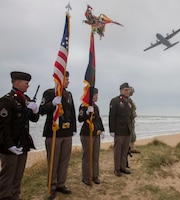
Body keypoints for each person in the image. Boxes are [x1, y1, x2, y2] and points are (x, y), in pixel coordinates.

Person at [0, 71, 39, 200]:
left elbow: (34, 119)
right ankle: (4, 196)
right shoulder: (7, 100)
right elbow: (3, 126)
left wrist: (34, 110)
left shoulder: (26, 99)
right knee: (7, 176)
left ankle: (15, 196)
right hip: (9, 145)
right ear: (17, 82)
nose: (28, 86)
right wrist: (9, 145)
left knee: (18, 175)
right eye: (26, 83)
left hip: (23, 143)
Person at [39, 71, 76, 200]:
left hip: (66, 132)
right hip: (53, 132)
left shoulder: (69, 94)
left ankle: (61, 183)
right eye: (66, 79)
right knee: (53, 161)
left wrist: (74, 129)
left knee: (64, 160)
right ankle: (52, 185)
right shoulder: (49, 93)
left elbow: (72, 112)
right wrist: (52, 104)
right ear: (59, 80)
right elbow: (41, 110)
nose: (68, 81)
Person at [78, 88, 105, 186]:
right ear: (91, 96)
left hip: (95, 134)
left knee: (95, 156)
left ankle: (95, 175)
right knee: (87, 156)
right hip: (86, 134)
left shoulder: (96, 107)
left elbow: (98, 119)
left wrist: (102, 130)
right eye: (96, 95)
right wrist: (86, 113)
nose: (97, 97)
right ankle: (86, 177)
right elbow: (80, 119)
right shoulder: (84, 106)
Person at [109, 82, 133, 177]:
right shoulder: (115, 101)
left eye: (128, 90)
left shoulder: (129, 102)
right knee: (118, 151)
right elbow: (112, 116)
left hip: (127, 130)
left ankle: (123, 167)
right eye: (125, 90)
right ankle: (117, 169)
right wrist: (112, 130)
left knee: (125, 150)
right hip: (119, 130)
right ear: (121, 90)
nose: (127, 92)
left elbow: (130, 117)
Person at [128, 86, 140, 154]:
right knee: (131, 134)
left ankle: (132, 148)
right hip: (129, 120)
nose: (132, 93)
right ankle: (130, 148)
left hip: (132, 120)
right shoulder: (127, 100)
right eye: (131, 91)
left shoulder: (130, 99)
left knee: (132, 135)